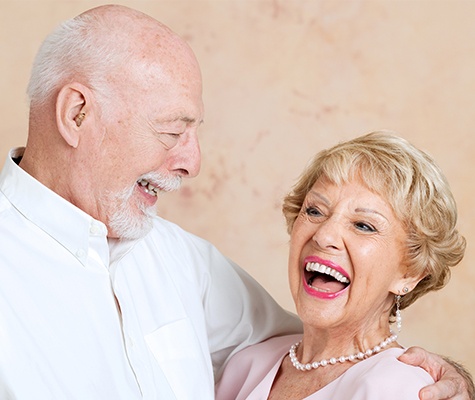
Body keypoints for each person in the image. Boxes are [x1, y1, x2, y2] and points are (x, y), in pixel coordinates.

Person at [0, 4, 471, 399]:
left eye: (194, 132)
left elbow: (331, 343)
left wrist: (441, 377)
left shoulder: (180, 258)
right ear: (76, 114)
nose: (192, 163)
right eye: (171, 131)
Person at [215, 131, 473, 399]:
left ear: (411, 273)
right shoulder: (247, 365)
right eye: (315, 211)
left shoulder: (402, 387)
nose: (324, 235)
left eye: (364, 225)